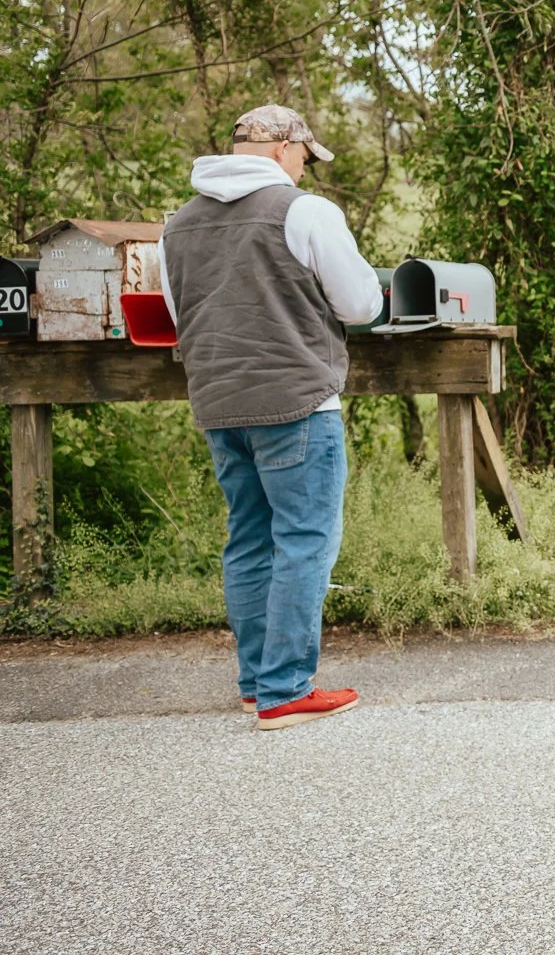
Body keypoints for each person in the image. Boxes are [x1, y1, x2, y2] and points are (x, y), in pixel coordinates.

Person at [160, 105, 383, 729]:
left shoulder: (176, 227)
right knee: (305, 539)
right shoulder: (304, 211)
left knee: (250, 538)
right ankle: (287, 690)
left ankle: (258, 684)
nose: (305, 168)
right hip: (298, 402)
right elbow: (361, 303)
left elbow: (183, 319)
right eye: (306, 156)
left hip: (219, 404)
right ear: (285, 147)